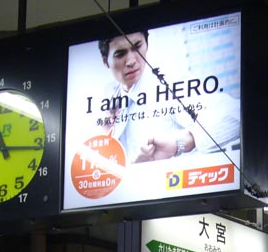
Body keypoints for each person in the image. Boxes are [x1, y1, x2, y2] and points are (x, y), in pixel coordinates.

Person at [97, 30, 240, 164]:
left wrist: (180, 143)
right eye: (120, 54)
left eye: (137, 46)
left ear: (147, 45)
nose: (131, 61)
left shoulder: (169, 86)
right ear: (105, 61)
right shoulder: (106, 100)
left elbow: (237, 113)